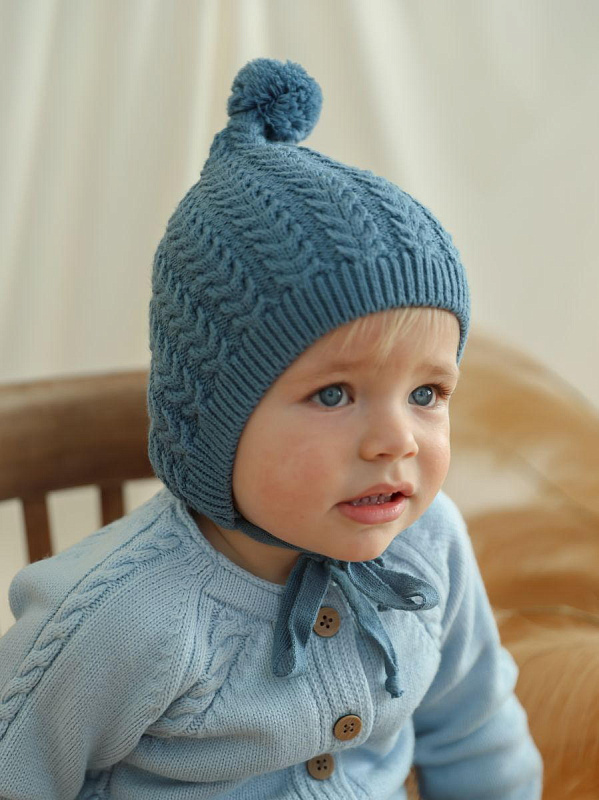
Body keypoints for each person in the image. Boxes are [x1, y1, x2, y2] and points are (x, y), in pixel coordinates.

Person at [0, 57, 542, 799]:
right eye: (333, 395)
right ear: (212, 424)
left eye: (426, 392)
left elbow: (475, 730)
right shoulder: (119, 620)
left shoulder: (430, 546)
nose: (396, 441)